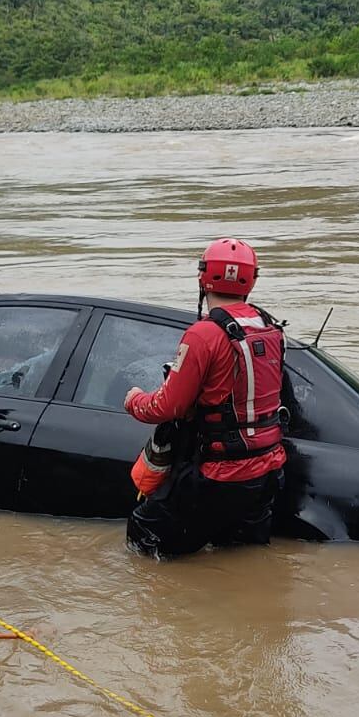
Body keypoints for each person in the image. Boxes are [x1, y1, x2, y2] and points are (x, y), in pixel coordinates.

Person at [122, 238, 286, 559]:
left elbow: (167, 406)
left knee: (144, 532)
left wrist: (134, 400)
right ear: (251, 280)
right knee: (241, 557)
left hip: (221, 475)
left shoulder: (203, 334)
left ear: (203, 278)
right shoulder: (270, 328)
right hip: (269, 472)